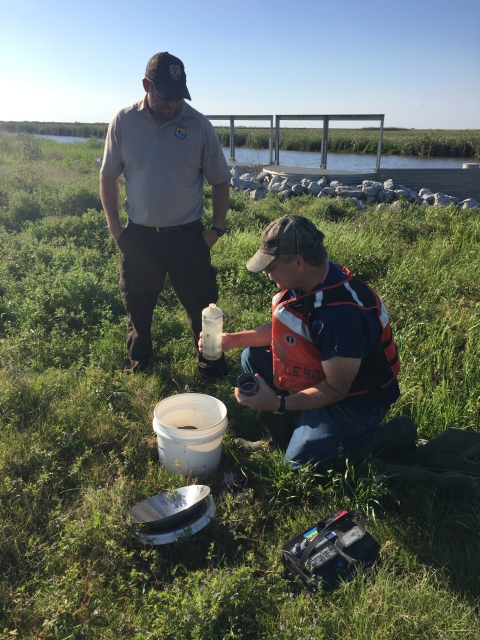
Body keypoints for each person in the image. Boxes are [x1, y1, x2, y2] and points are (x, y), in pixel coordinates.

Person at [203, 214, 401, 470]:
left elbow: (336, 389)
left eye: (271, 266)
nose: (266, 273)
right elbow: (286, 327)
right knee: (252, 357)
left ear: (298, 261)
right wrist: (231, 340)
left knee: (298, 466)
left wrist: (278, 403)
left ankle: (379, 440)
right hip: (325, 371)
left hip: (354, 402)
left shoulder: (340, 317)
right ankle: (279, 438)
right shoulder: (312, 278)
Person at [100, 52, 231, 378]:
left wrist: (215, 229)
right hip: (140, 237)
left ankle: (211, 366)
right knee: (138, 307)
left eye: (179, 95)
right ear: (147, 86)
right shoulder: (124, 121)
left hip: (188, 236)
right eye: (165, 95)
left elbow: (221, 180)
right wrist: (117, 231)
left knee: (204, 307)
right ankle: (140, 366)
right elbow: (108, 176)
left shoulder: (198, 124)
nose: (173, 103)